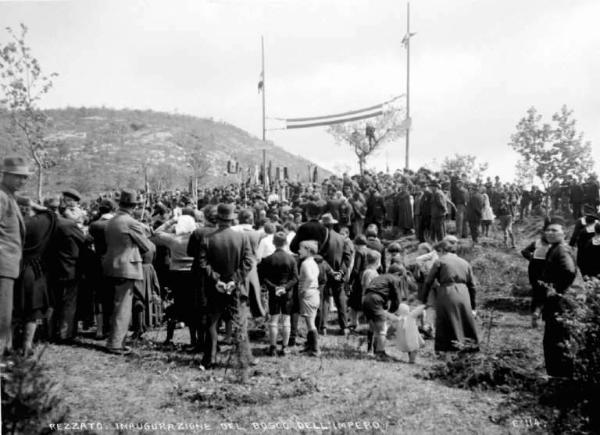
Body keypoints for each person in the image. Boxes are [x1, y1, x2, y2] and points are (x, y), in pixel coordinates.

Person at [197, 203, 254, 369]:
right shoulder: (242, 237)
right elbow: (249, 262)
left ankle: (210, 358)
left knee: (212, 323)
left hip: (215, 288)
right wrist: (234, 281)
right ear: (232, 218)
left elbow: (202, 263)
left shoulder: (207, 238)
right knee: (239, 322)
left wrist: (217, 281)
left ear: (218, 218)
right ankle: (243, 358)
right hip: (235, 287)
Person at [102, 189, 153, 355]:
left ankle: (115, 340)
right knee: (123, 306)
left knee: (114, 305)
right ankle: (116, 343)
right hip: (126, 267)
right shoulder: (131, 222)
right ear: (134, 206)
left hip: (111, 265)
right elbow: (146, 246)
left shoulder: (112, 221)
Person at [421, 235, 479, 352]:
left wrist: (423, 298)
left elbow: (428, 281)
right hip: (464, 293)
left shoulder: (440, 261)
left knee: (445, 322)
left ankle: (447, 352)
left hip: (447, 292)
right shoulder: (465, 263)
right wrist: (473, 306)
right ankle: (468, 350)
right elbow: (472, 286)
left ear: (442, 250)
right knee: (465, 321)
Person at [152, 212, 197, 346]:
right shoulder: (196, 238)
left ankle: (169, 338)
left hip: (176, 273)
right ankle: (194, 339)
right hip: (192, 273)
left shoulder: (173, 239)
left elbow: (156, 233)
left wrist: (171, 221)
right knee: (192, 306)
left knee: (175, 304)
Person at [540, 217, 576, 378]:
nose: (550, 233)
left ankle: (561, 376)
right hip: (558, 301)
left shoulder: (561, 249)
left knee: (557, 338)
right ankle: (557, 375)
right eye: (548, 230)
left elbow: (568, 271)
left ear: (564, 233)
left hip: (560, 302)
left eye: (554, 230)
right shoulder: (555, 248)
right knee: (554, 338)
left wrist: (555, 289)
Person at [0, 156, 29, 355]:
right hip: (2, 264)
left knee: (5, 316)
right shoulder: (2, 197)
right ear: (5, 175)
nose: (22, 181)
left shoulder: (8, 195)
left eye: (24, 177)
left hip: (8, 265)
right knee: (2, 318)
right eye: (17, 176)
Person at [258, 232, 298, 356]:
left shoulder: (268, 259)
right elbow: (295, 278)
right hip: (287, 293)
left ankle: (273, 347)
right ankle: (285, 348)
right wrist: (285, 288)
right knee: (286, 320)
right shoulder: (292, 259)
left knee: (273, 320)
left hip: (273, 292)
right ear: (286, 242)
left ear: (274, 242)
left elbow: (262, 278)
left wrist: (274, 288)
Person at [362, 263, 405, 360]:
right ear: (398, 273)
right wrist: (393, 311)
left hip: (366, 299)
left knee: (372, 326)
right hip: (376, 300)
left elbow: (382, 292)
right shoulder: (395, 279)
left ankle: (370, 349)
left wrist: (386, 308)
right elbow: (397, 297)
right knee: (382, 329)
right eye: (401, 276)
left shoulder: (381, 277)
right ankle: (380, 353)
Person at [521, 221, 551, 328]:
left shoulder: (537, 242)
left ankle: (534, 315)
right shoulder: (553, 245)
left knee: (536, 292)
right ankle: (538, 313)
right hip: (545, 270)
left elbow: (524, 251)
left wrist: (531, 259)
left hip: (533, 269)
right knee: (545, 293)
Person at [297, 240, 321, 356]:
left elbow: (310, 278)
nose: (298, 251)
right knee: (310, 321)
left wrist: (303, 290)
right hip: (315, 293)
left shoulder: (305, 263)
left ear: (308, 250)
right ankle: (309, 346)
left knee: (310, 323)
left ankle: (315, 349)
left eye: (300, 248)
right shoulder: (313, 262)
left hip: (309, 293)